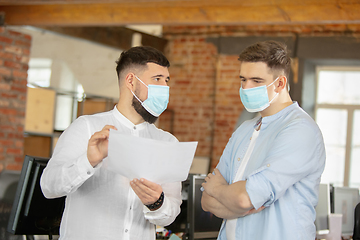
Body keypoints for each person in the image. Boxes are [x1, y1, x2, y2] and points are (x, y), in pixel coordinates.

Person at [40, 46, 182, 240]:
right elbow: (48, 186)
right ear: (131, 81)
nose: (165, 87)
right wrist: (88, 161)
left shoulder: (168, 142)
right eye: (157, 79)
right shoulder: (87, 127)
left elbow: (171, 214)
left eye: (167, 81)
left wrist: (157, 202)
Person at [201, 40, 326, 240]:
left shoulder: (300, 130)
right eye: (243, 79)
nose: (246, 87)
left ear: (280, 83)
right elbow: (207, 201)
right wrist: (232, 198)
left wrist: (218, 189)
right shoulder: (245, 129)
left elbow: (244, 197)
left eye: (256, 81)